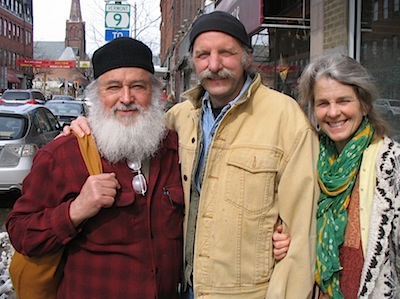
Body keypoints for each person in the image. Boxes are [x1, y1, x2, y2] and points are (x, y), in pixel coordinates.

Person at [65, 11, 320, 298]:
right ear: (193, 61)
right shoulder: (177, 119)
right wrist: (85, 126)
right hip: (184, 289)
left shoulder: (286, 119)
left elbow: (300, 234)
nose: (214, 65)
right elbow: (127, 126)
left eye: (226, 53)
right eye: (203, 55)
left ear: (246, 57)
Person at [6, 37, 184, 299]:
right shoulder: (63, 155)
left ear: (156, 93)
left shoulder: (175, 150)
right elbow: (21, 233)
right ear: (96, 96)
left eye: (138, 86)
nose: (126, 98)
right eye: (113, 87)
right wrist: (75, 210)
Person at [273, 54, 400, 299]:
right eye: (323, 103)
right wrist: (283, 239)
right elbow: (292, 222)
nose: (333, 112)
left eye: (343, 101)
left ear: (363, 104)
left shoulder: (390, 164)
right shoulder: (306, 158)